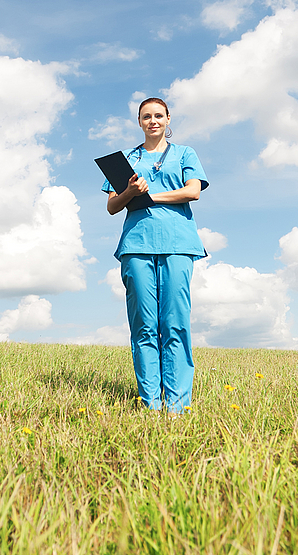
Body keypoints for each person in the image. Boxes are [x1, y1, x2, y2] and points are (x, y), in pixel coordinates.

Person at [103, 97, 209, 413]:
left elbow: (193, 191)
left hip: (178, 244)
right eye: (146, 116)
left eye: (159, 116)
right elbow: (111, 205)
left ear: (167, 119)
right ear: (139, 121)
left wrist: (149, 196)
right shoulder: (125, 159)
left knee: (175, 323)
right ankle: (150, 404)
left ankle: (176, 407)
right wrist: (129, 193)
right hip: (136, 246)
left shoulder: (185, 154)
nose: (153, 121)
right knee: (144, 326)